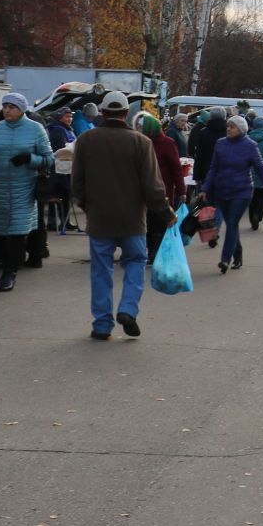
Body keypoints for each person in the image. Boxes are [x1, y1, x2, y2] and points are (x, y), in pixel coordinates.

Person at [72, 92, 171, 340]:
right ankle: (127, 309)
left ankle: (102, 325)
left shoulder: (86, 140)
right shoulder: (141, 142)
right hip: (133, 219)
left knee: (101, 271)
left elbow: (76, 184)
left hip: (99, 219)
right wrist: (166, 212)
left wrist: (87, 205)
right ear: (126, 113)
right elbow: (153, 186)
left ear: (102, 112)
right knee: (136, 262)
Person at [0, 92, 54, 293]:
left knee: (18, 231)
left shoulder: (35, 129)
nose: (7, 110)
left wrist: (30, 159)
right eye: (5, 106)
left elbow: (49, 159)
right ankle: (5, 264)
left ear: (22, 109)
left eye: (11, 107)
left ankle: (10, 272)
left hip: (24, 188)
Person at [203, 114, 263, 272]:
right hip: (221, 190)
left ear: (241, 129)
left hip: (241, 192)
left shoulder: (250, 145)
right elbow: (213, 168)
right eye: (228, 126)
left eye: (232, 127)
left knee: (232, 223)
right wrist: (205, 188)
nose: (228, 129)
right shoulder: (220, 144)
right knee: (232, 224)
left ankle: (225, 260)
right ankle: (238, 255)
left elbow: (261, 169)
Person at [137, 113, 185, 263]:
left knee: (158, 222)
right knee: (145, 222)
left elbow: (176, 168)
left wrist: (181, 190)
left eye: (140, 127)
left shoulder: (167, 143)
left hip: (162, 190)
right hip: (141, 190)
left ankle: (154, 253)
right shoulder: (140, 142)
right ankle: (145, 251)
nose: (137, 129)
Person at [44, 107, 78, 234]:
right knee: (58, 194)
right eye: (66, 117)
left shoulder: (67, 129)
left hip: (67, 167)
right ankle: (53, 222)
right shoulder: (57, 130)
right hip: (58, 169)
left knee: (66, 196)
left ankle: (65, 221)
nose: (69, 119)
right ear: (60, 118)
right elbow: (61, 149)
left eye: (70, 117)